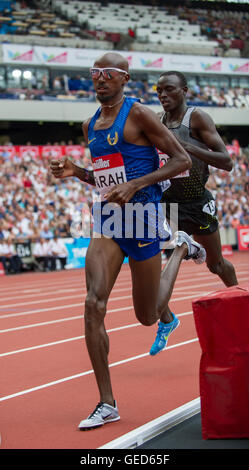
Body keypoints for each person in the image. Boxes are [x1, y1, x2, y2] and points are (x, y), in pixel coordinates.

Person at [50, 52, 206, 431]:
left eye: (109, 74)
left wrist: (136, 184)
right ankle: (107, 403)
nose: (100, 79)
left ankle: (181, 246)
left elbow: (181, 160)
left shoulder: (139, 114)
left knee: (147, 315)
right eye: (95, 73)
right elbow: (103, 179)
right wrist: (76, 172)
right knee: (92, 302)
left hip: (146, 216)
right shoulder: (90, 125)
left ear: (124, 78)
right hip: (108, 217)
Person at [149, 71, 238, 357]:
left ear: (184, 90)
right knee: (149, 267)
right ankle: (167, 320)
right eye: (159, 90)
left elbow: (227, 162)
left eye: (169, 90)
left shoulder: (197, 119)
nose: (163, 95)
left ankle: (239, 300)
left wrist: (186, 148)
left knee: (216, 265)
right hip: (166, 205)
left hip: (196, 201)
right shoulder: (154, 122)